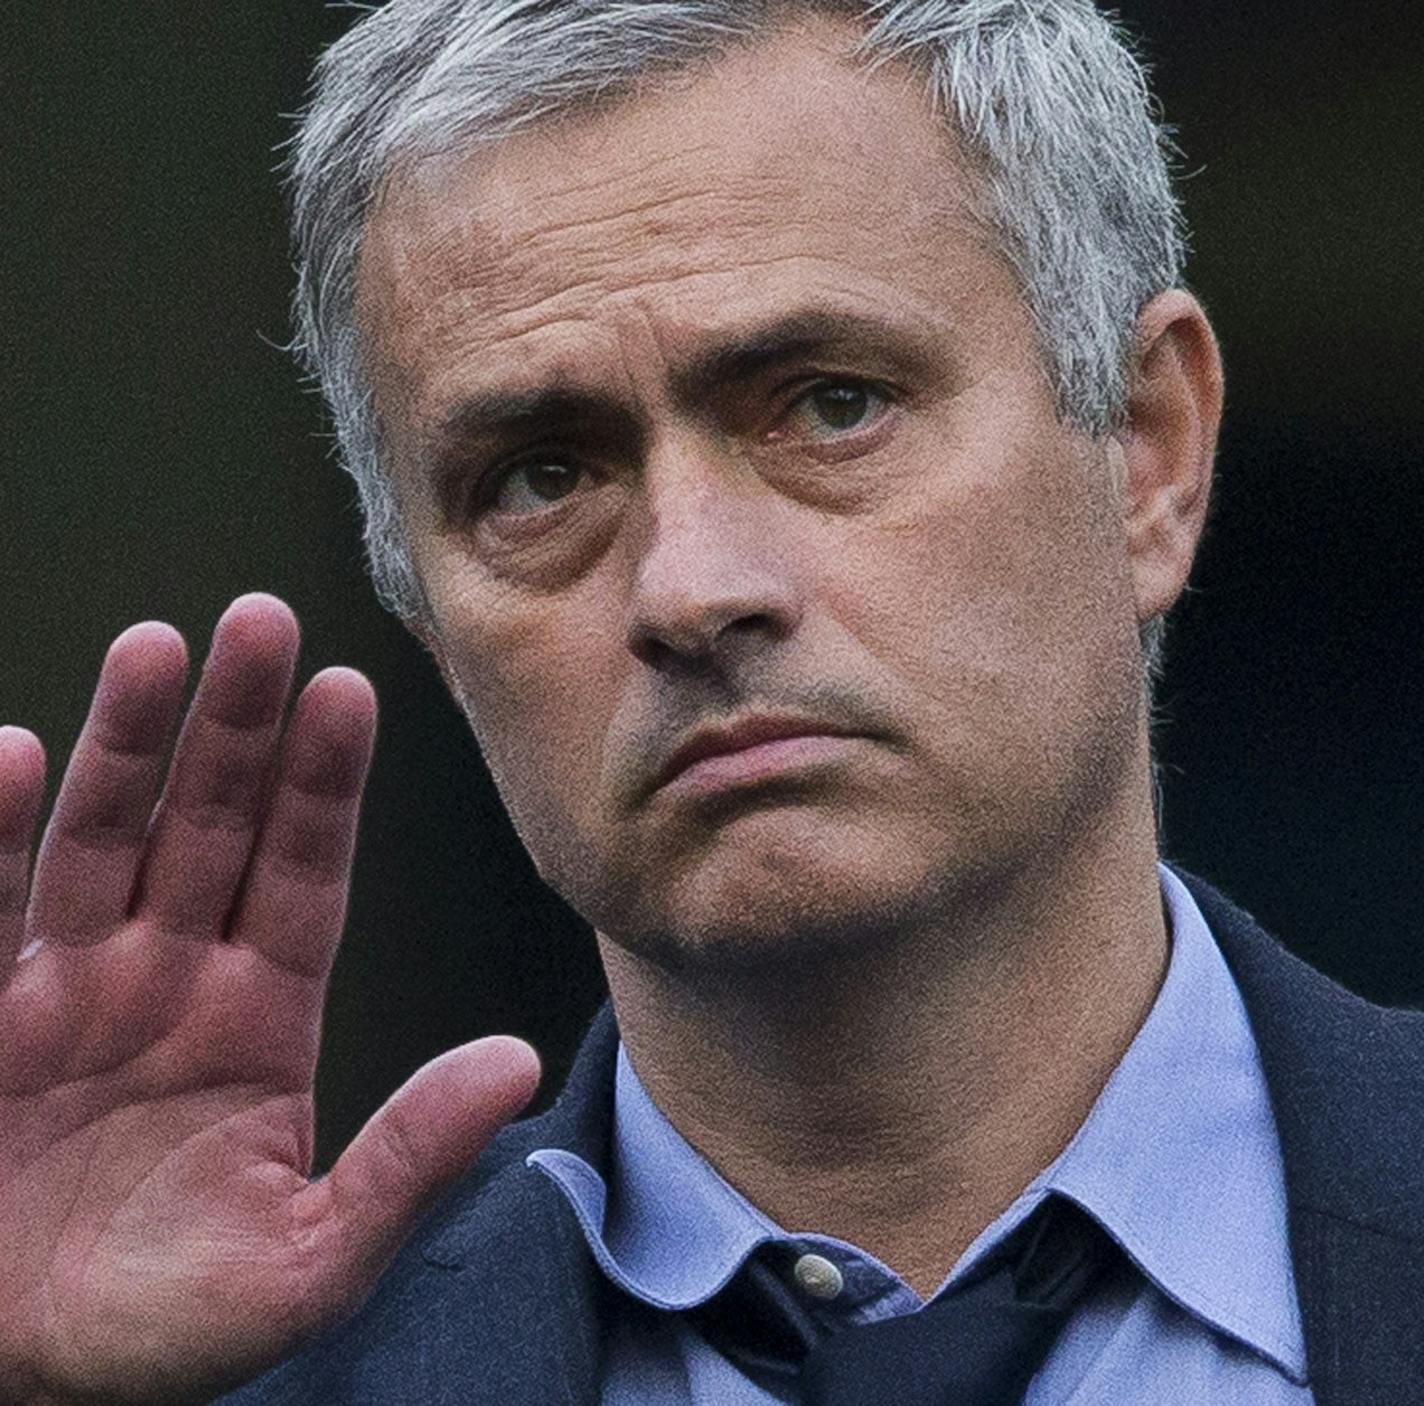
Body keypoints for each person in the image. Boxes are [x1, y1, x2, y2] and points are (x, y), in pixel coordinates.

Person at [1, 1, 1420, 1403]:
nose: (689, 589)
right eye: (542, 478)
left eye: (831, 403)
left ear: (1147, 451)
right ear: (432, 628)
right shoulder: (244, 1377)